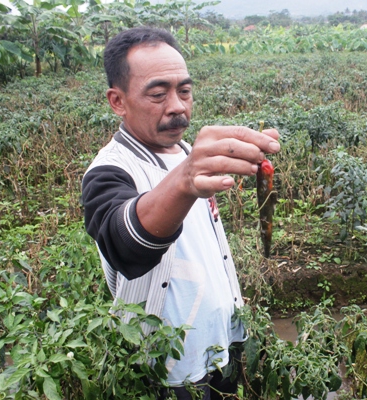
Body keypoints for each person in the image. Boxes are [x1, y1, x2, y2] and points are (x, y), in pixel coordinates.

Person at [81, 26, 280, 399]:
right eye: (158, 94)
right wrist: (185, 180)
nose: (177, 105)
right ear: (117, 101)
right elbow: (126, 243)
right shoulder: (109, 171)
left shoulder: (187, 151)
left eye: (184, 91)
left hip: (223, 344)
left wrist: (229, 299)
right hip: (170, 366)